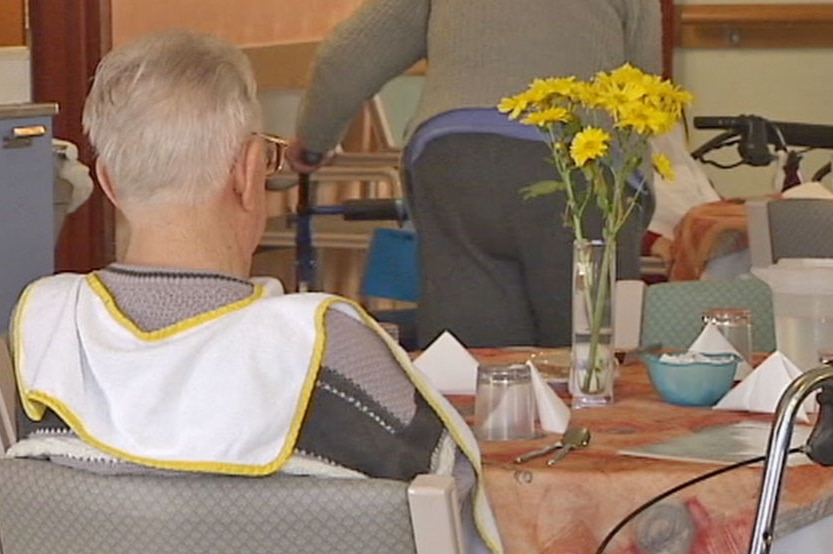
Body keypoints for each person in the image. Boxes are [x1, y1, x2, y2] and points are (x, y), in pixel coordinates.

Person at [6, 29, 501, 552]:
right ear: (245, 174)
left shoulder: (44, 336)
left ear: (107, 181)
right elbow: (460, 522)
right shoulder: (326, 350)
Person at [289, 0, 663, 349]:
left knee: (474, 365)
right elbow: (644, 90)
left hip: (458, 160)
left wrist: (312, 142)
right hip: (580, 163)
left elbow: (348, 57)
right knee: (591, 361)